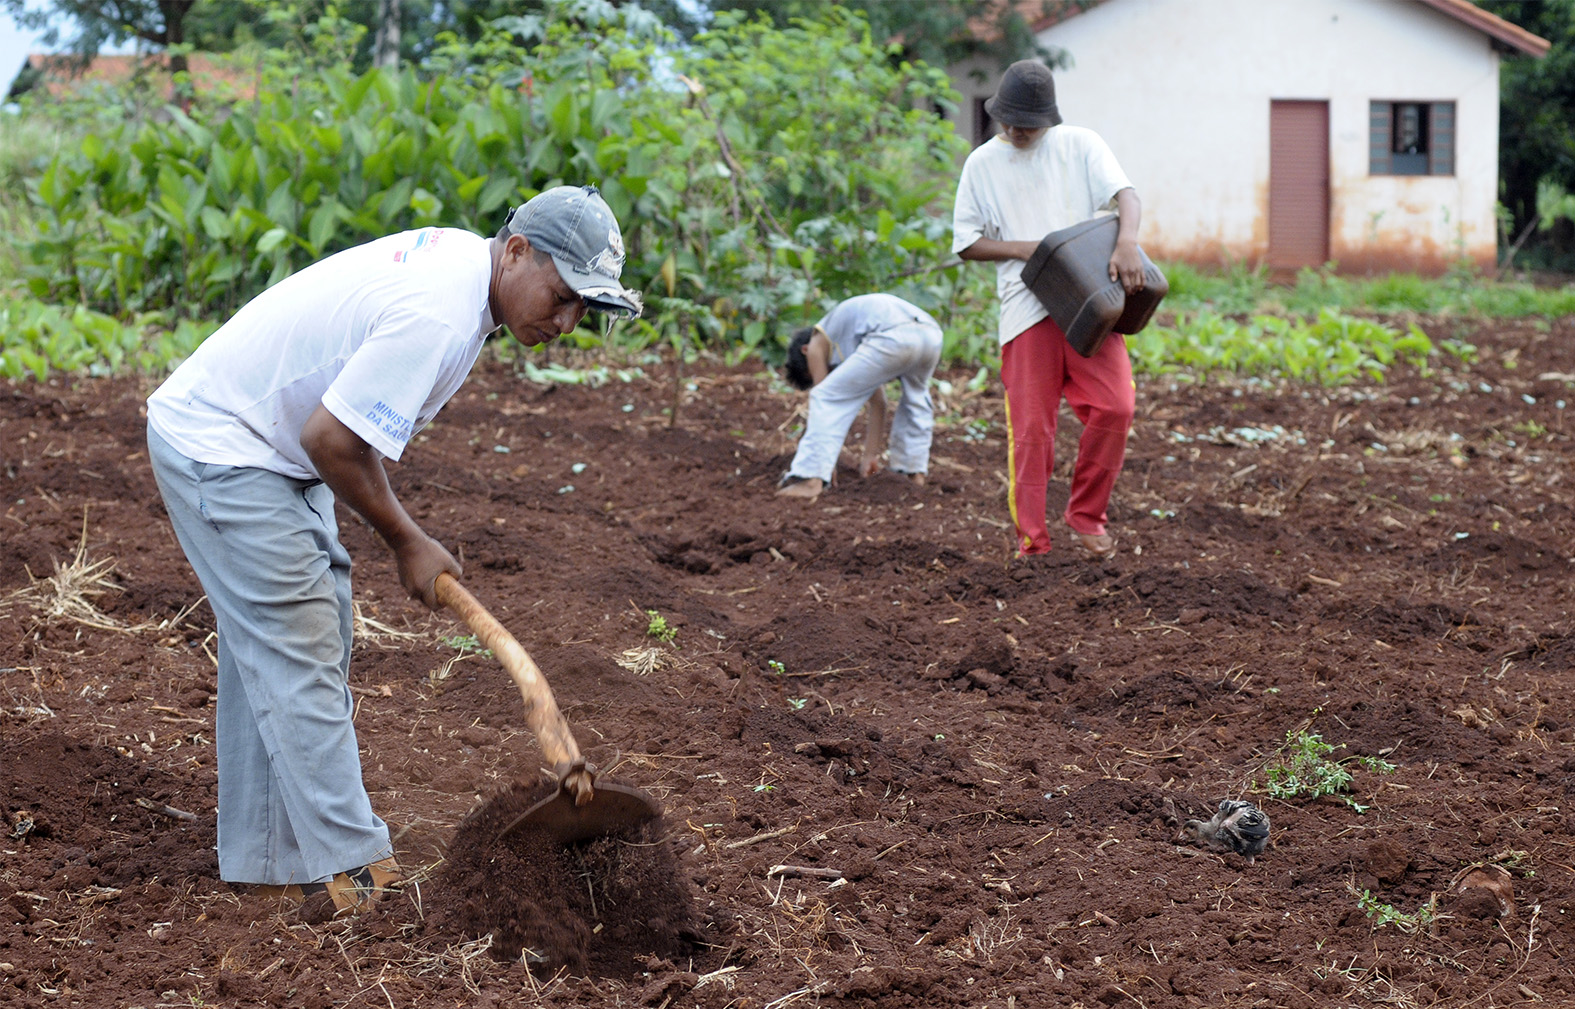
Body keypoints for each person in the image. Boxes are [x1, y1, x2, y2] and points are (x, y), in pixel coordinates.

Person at [145, 186, 642, 913]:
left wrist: (404, 536)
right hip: (225, 443)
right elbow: (332, 439)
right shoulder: (439, 313)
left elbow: (334, 433)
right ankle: (357, 874)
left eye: (583, 310)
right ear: (516, 251)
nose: (566, 321)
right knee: (297, 640)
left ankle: (267, 860)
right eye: (562, 295)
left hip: (267, 443)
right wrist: (408, 540)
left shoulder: (466, 284)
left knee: (294, 642)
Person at [952, 59, 1146, 559]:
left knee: (1116, 407)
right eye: (1009, 121)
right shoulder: (981, 164)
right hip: (1025, 308)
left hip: (1088, 302)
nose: (1018, 131)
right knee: (1033, 432)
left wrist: (1127, 242)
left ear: (1050, 119)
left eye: (1029, 124)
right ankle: (1032, 543)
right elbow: (968, 243)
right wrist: (1031, 250)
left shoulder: (1080, 145)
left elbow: (1126, 195)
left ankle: (1085, 515)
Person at [776, 293, 944, 502]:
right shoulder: (849, 337)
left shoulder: (816, 341)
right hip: (931, 333)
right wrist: (869, 457)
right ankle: (912, 474)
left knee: (826, 396)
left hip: (892, 335)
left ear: (804, 351)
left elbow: (826, 398)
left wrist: (825, 465)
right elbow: (879, 402)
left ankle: (810, 479)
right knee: (915, 399)